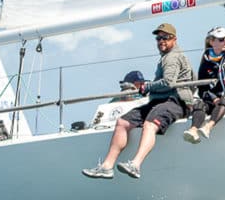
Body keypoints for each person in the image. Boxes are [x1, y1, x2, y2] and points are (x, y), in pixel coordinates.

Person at [82, 23, 194, 180]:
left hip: (174, 101)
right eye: (158, 38)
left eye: (165, 38)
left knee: (150, 124)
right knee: (122, 122)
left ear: (174, 39)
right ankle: (107, 167)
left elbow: (169, 82)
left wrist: (148, 86)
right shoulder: (167, 57)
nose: (161, 41)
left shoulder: (172, 57)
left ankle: (135, 165)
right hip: (159, 101)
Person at [183, 26, 225, 144]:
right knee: (199, 103)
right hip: (215, 100)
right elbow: (202, 88)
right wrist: (213, 98)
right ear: (211, 42)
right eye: (221, 39)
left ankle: (208, 127)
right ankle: (193, 130)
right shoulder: (206, 60)